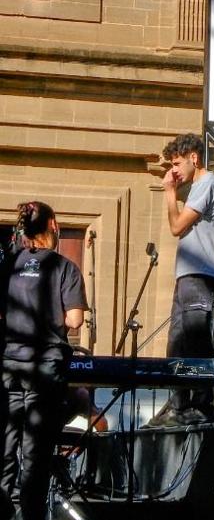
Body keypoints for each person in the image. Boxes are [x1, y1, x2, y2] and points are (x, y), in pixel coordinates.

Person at [0, 201, 87, 520]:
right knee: (35, 455)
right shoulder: (65, 268)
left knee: (6, 449)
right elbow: (75, 320)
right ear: (52, 225)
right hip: (45, 370)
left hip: (10, 367)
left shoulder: (8, 265)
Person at [146, 133, 214, 427]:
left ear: (194, 157)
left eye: (178, 163)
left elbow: (177, 226)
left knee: (195, 336)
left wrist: (169, 193)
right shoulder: (198, 186)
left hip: (201, 272)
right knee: (177, 340)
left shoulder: (208, 183)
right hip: (188, 274)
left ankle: (202, 403)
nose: (174, 171)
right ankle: (178, 404)